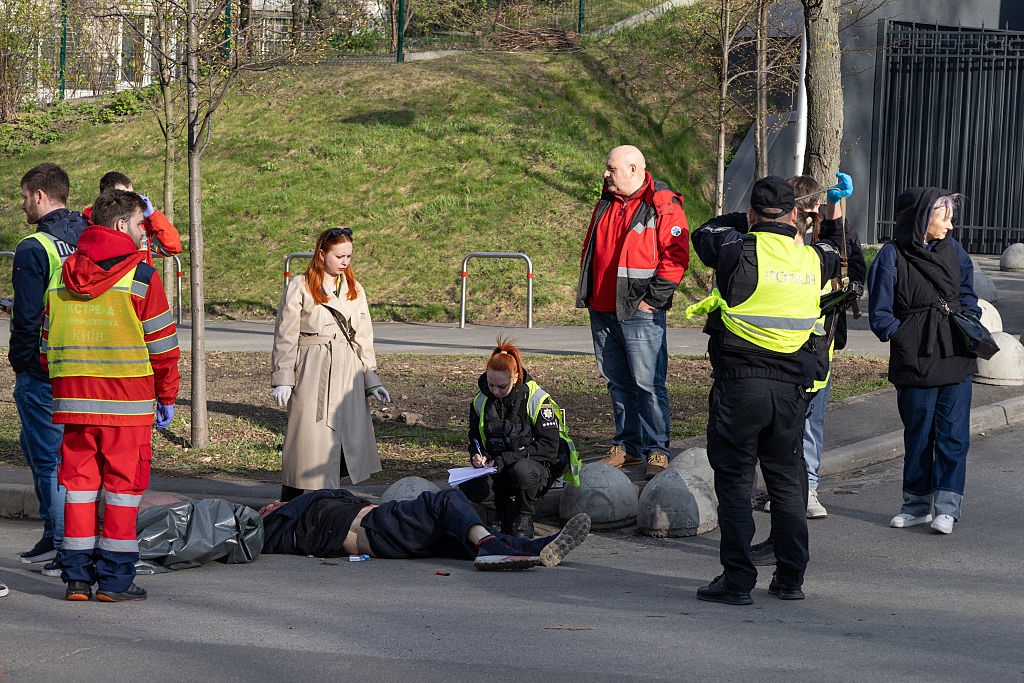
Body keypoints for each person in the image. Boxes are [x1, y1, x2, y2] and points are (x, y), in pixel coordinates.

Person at [687, 176, 840, 605]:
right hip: (791, 392)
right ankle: (791, 579)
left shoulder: (735, 249)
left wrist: (750, 220)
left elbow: (706, 231)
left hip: (740, 387)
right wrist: (797, 224)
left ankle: (737, 581)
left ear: (752, 214)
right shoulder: (815, 259)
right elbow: (832, 246)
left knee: (735, 484)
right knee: (787, 483)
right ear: (795, 215)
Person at [42, 189, 180, 602]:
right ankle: (115, 582)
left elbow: (47, 342)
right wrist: (167, 396)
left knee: (79, 491)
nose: (145, 232)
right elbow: (163, 347)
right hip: (127, 404)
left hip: (74, 404)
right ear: (122, 225)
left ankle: (78, 580)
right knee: (122, 492)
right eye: (142, 224)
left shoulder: (62, 273)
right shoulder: (141, 277)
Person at [749, 172, 864, 565]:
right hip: (789, 362)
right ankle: (787, 544)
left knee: (796, 450)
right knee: (787, 452)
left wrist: (837, 211)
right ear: (793, 213)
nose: (815, 216)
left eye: (819, 210)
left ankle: (792, 528)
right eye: (810, 209)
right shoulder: (791, 248)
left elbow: (847, 258)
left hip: (814, 358)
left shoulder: (822, 247)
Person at [867, 188, 979, 535]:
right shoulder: (891, 255)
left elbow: (968, 297)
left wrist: (968, 320)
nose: (950, 225)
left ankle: (947, 507)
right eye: (943, 216)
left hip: (954, 352)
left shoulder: (955, 251)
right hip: (915, 356)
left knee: (953, 435)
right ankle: (915, 505)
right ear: (921, 218)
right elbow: (880, 312)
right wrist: (903, 337)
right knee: (918, 434)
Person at [576, 145, 690, 479]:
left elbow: (677, 256)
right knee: (618, 382)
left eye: (611, 169)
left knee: (648, 383)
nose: (605, 174)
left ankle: (657, 449)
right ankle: (627, 447)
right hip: (602, 307)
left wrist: (653, 300)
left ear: (634, 169)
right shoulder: (607, 200)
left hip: (640, 309)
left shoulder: (661, 203)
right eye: (607, 169)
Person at [271, 227, 390, 502]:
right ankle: (293, 505)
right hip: (312, 370)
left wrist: (372, 380)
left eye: (349, 256)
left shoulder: (354, 289)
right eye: (339, 256)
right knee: (306, 448)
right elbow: (285, 336)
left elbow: (363, 338)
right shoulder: (300, 286)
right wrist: (284, 378)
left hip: (348, 373)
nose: (345, 261)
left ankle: (328, 505)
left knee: (341, 444)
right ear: (322, 254)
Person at [10, 163, 89, 573]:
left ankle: (64, 547)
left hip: (43, 368)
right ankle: (54, 535)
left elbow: (26, 317)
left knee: (49, 461)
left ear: (40, 195)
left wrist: (20, 364)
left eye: (24, 197)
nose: (22, 204)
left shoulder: (33, 246)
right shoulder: (88, 238)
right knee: (56, 456)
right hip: (84, 364)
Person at [260, 487, 592, 571]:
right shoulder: (282, 521)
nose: (271, 504)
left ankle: (538, 549)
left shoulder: (305, 508)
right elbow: (250, 531)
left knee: (461, 536)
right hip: (376, 529)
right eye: (268, 507)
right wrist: (271, 515)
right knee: (445, 501)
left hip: (384, 528)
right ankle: (491, 544)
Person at [458, 337, 571, 539]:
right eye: (491, 385)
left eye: (502, 386)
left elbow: (549, 447)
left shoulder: (537, 399)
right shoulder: (481, 401)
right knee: (469, 484)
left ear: (516, 377)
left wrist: (509, 458)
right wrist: (477, 455)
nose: (495, 391)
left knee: (523, 471)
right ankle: (505, 515)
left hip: (535, 469)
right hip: (497, 466)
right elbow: (474, 436)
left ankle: (524, 517)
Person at [83, 171, 182, 267]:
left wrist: (152, 216)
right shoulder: (90, 226)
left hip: (141, 281)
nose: (130, 202)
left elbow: (173, 247)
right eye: (124, 196)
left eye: (132, 195)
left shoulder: (141, 225)